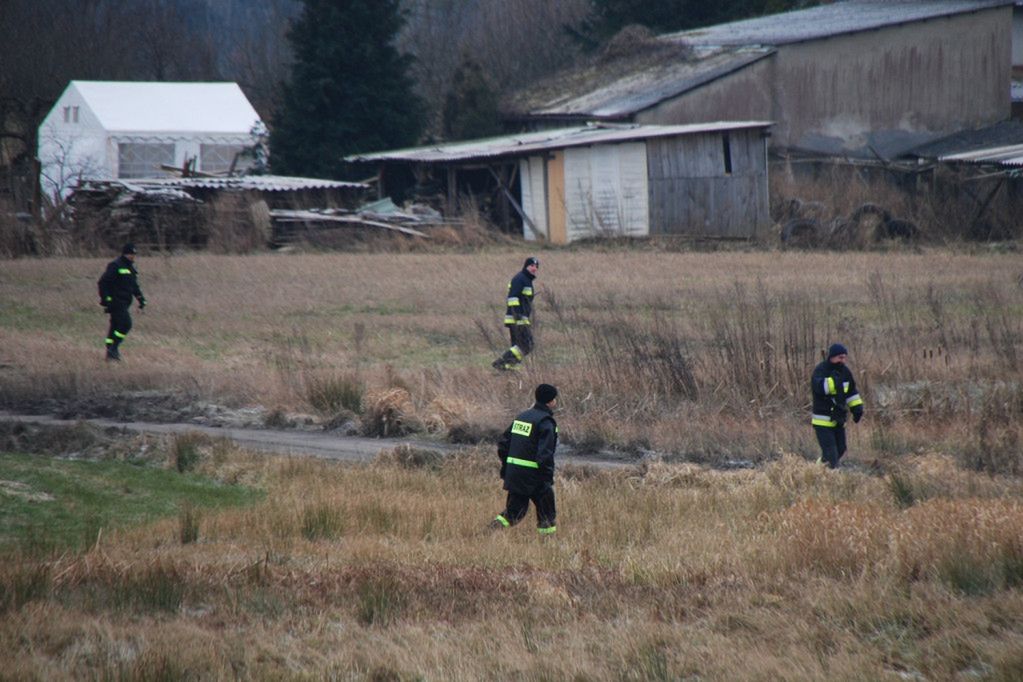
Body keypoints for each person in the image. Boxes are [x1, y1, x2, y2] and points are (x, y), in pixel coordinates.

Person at [490, 383, 559, 536]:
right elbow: (545, 455)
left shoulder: (522, 417)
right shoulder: (546, 422)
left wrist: (508, 467)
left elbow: (503, 444)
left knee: (515, 512)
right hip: (535, 477)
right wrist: (547, 477)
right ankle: (548, 543)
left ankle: (491, 532)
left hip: (515, 474)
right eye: (555, 399)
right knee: (547, 512)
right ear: (550, 401)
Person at [811, 343, 864, 468]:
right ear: (832, 357)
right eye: (840, 357)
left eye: (845, 357)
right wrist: (833, 382)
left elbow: (851, 391)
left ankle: (819, 468)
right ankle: (831, 477)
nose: (843, 360)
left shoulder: (845, 372)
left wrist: (857, 408)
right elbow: (819, 388)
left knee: (841, 449)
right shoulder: (821, 370)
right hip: (822, 421)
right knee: (831, 453)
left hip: (838, 419)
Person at [97, 242, 146, 361]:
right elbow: (103, 282)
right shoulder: (115, 265)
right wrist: (106, 299)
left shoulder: (131, 267)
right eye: (130, 254)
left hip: (125, 301)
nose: (133, 256)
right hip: (116, 301)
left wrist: (140, 299)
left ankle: (110, 351)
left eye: (134, 254)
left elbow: (134, 286)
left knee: (115, 326)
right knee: (126, 324)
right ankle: (114, 349)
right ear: (125, 253)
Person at [491, 256, 539, 371]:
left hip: (520, 318)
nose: (534, 268)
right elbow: (512, 297)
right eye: (532, 265)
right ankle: (501, 363)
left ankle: (507, 367)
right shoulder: (520, 279)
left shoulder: (526, 279)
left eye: (536, 266)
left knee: (517, 345)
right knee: (527, 344)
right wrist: (517, 314)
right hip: (517, 318)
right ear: (526, 266)